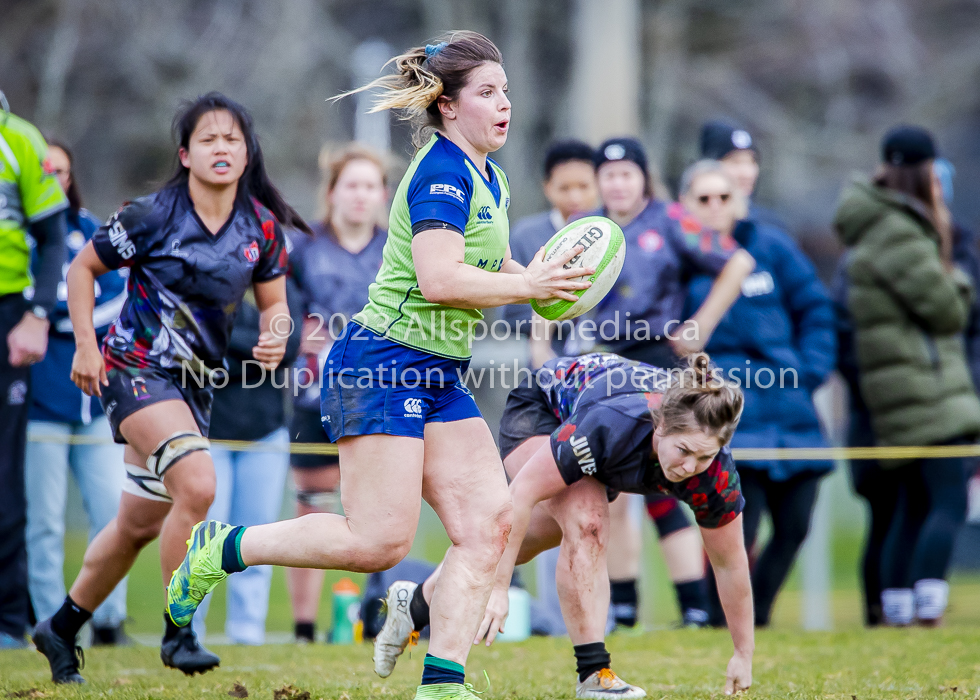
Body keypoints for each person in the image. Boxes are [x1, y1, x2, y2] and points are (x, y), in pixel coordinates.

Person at [166, 32, 590, 700]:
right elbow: (440, 278)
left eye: (505, 90)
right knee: (377, 542)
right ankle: (222, 547)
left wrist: (541, 278)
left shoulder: (491, 175)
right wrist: (530, 290)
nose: (503, 103)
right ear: (447, 106)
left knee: (491, 525)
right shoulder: (441, 172)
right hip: (382, 362)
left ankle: (443, 683)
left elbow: (484, 266)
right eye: (487, 93)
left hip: (438, 369)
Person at [32, 92, 306, 683]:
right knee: (200, 485)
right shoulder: (151, 215)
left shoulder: (259, 225)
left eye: (232, 138)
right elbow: (83, 269)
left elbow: (277, 304)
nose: (222, 148)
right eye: (208, 139)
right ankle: (179, 631)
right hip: (133, 369)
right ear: (185, 154)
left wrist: (275, 336)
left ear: (247, 150)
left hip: (191, 392)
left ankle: (58, 628)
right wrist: (85, 345)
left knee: (137, 525)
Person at [373, 353, 754, 698]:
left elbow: (729, 564)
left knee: (522, 542)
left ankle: (416, 604)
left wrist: (743, 653)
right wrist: (500, 589)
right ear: (659, 425)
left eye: (703, 456)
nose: (689, 468)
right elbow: (519, 495)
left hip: (592, 425)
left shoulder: (714, 475)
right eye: (683, 451)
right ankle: (594, 673)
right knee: (587, 518)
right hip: (542, 408)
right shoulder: (613, 424)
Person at [585, 137, 756, 630]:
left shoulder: (670, 219)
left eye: (627, 173)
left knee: (667, 485)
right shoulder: (590, 229)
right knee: (608, 485)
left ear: (644, 177)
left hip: (658, 359)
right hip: (600, 362)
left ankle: (694, 606)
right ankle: (623, 606)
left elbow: (738, 262)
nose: (617, 183)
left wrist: (700, 325)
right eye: (609, 174)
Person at [679, 160, 836, 626]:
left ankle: (758, 614)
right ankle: (716, 619)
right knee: (736, 526)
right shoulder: (680, 259)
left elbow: (815, 309)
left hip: (792, 406)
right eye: (703, 198)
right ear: (686, 204)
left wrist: (809, 371)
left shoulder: (772, 247)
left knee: (796, 526)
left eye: (723, 197)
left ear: (740, 200)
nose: (714, 207)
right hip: (729, 414)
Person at [834, 125, 980, 626]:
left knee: (910, 507)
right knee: (947, 500)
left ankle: (896, 607)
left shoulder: (873, 227)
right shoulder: (901, 230)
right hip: (925, 389)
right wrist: (960, 277)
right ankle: (927, 605)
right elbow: (946, 310)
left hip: (895, 391)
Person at [24, 139, 130, 645]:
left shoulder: (94, 231)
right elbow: (26, 299)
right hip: (40, 399)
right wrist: (58, 306)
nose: (54, 179)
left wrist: (55, 310)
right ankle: (53, 625)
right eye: (46, 171)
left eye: (61, 170)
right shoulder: (20, 236)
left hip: (97, 400)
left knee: (113, 509)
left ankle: (107, 619)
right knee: (43, 521)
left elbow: (114, 298)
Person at [286, 143, 388, 643]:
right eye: (351, 184)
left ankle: (370, 617)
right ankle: (304, 626)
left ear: (383, 195)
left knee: (374, 512)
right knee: (313, 507)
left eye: (370, 185)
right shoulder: (303, 248)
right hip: (314, 398)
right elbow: (281, 312)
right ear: (331, 193)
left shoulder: (398, 248)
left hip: (379, 399)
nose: (360, 195)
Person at [190, 276, 304, 645]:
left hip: (266, 432)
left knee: (257, 535)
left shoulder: (284, 291)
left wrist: (230, 352)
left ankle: (247, 631)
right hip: (209, 432)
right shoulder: (206, 282)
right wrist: (258, 353)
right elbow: (200, 348)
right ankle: (188, 629)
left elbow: (291, 347)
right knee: (204, 539)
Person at [0, 90, 68, 649]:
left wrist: (36, 316)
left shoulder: (20, 138)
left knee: (5, 474)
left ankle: (5, 623)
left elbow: (52, 240)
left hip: (7, 316)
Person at [501, 140, 597, 366]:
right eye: (564, 188)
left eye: (584, 186)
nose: (575, 197)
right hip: (546, 359)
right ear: (547, 187)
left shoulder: (614, 234)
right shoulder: (526, 235)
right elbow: (510, 312)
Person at [699, 120, 786, 230]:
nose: (747, 173)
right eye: (735, 162)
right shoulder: (681, 226)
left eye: (752, 161)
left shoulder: (770, 229)